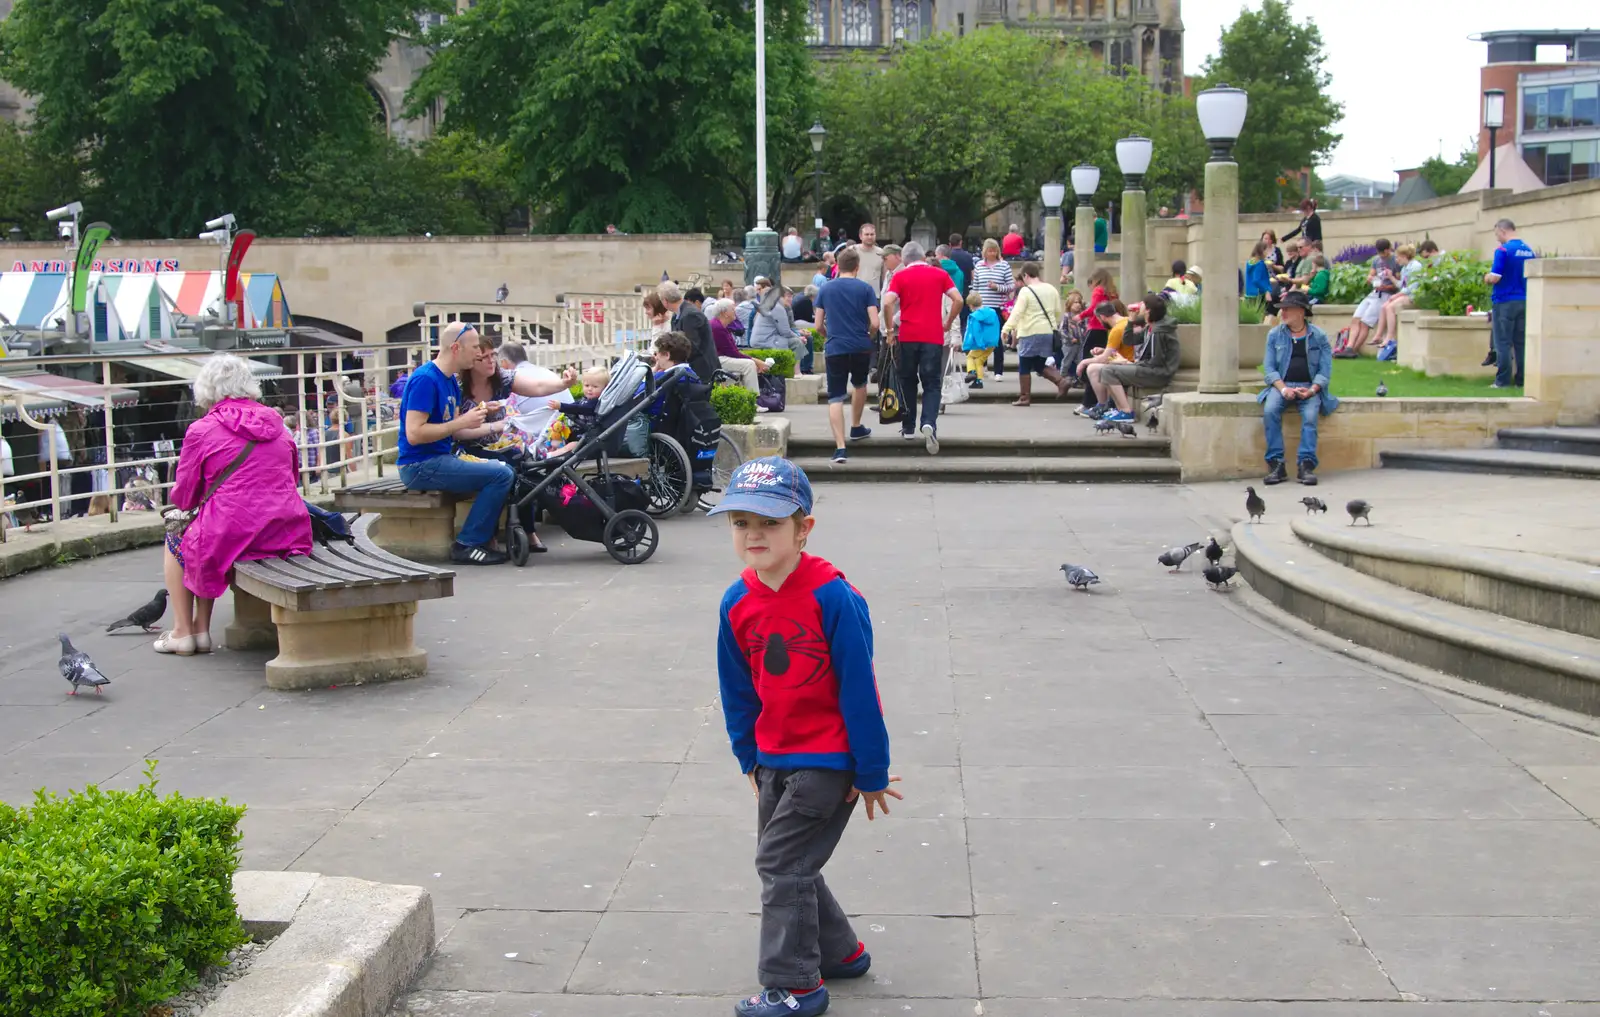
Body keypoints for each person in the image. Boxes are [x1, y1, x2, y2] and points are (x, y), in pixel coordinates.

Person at [709, 456, 899, 1017]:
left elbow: (860, 689)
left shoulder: (833, 597)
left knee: (780, 864)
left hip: (828, 759)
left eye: (769, 522)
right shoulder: (736, 600)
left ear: (804, 528)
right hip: (773, 757)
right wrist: (748, 755)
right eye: (741, 522)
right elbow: (737, 686)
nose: (753, 534)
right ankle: (840, 954)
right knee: (789, 861)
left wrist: (870, 771)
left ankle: (796, 984)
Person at [155, 354, 311, 655]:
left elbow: (184, 498)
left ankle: (184, 631)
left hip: (231, 533)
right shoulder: (278, 424)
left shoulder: (201, 430)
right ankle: (199, 627)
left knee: (179, 531)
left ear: (206, 389)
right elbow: (292, 477)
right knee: (209, 531)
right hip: (287, 531)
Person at [399, 321, 574, 566]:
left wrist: (478, 413)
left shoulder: (447, 380)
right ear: (456, 348)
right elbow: (414, 434)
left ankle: (493, 536)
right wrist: (464, 422)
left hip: (442, 458)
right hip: (420, 464)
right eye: (474, 348)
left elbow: (453, 424)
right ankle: (468, 543)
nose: (479, 353)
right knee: (500, 474)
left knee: (509, 466)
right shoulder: (426, 380)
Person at [883, 241, 959, 454]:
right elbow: (958, 299)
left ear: (904, 259)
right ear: (923, 258)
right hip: (933, 336)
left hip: (908, 335)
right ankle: (929, 423)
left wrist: (890, 330)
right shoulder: (939, 275)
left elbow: (888, 302)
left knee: (907, 380)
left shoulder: (900, 277)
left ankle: (908, 426)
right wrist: (948, 321)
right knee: (932, 383)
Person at [1260, 290, 1338, 487]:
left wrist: (1312, 390)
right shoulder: (1274, 335)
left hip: (1308, 387)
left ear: (1301, 312)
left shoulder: (1319, 336)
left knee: (1311, 416)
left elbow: (1325, 370)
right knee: (1270, 411)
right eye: (1282, 309)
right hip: (1281, 386)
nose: (1283, 313)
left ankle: (1306, 465)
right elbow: (1269, 369)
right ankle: (1277, 464)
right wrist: (1283, 388)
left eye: (1288, 309)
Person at [813, 247, 880, 463]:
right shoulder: (865, 288)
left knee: (835, 396)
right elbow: (876, 323)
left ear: (837, 267)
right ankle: (856, 426)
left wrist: (827, 335)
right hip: (860, 345)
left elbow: (817, 325)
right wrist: (868, 335)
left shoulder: (826, 288)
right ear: (857, 267)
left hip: (835, 346)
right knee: (859, 385)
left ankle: (840, 448)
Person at [1090, 292, 1181, 419]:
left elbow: (1157, 360)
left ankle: (1126, 412)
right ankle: (1120, 409)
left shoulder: (1158, 332)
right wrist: (1131, 321)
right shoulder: (1151, 327)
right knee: (1106, 370)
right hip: (1151, 369)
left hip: (1158, 373)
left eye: (1143, 305)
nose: (1140, 306)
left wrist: (1130, 364)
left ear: (1148, 310)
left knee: (1108, 371)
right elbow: (1128, 340)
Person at [1001, 262, 1068, 406]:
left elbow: (1017, 312)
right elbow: (1057, 311)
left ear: (1025, 275)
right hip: (1047, 332)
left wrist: (1006, 328)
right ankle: (1061, 382)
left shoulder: (1026, 291)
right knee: (1039, 364)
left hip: (1030, 331)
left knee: (1024, 365)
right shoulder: (1051, 289)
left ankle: (1025, 397)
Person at [1485, 218, 1535, 389]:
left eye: (1497, 234)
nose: (1497, 238)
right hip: (1525, 300)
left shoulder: (1503, 250)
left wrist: (1487, 277)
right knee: (1521, 342)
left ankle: (1502, 381)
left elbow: (1496, 276)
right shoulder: (1529, 251)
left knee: (1503, 342)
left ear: (1502, 230)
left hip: (1505, 301)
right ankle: (1521, 380)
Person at [1337, 239, 1400, 358]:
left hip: (1385, 294)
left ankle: (1354, 351)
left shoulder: (1395, 261)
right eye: (1379, 253)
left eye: (1383, 253)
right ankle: (1349, 348)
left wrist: (1386, 286)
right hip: (1374, 293)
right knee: (1356, 319)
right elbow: (1371, 273)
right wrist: (1370, 278)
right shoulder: (1376, 260)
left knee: (1365, 323)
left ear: (1388, 249)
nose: (1381, 255)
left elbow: (1399, 283)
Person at [971, 239, 1015, 378]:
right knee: (981, 339)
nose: (992, 253)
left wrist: (997, 287)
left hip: (997, 307)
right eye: (989, 250)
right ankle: (982, 368)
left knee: (996, 340)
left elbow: (1011, 286)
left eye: (994, 250)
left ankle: (998, 371)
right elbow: (975, 287)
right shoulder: (979, 265)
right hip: (982, 307)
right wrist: (974, 304)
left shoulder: (1004, 266)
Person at [662, 280, 721, 384]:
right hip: (693, 371)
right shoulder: (678, 314)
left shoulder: (690, 314)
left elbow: (691, 347)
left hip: (702, 373)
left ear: (665, 301)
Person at [711, 298, 769, 395]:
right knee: (749, 365)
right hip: (716, 360)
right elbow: (733, 353)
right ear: (725, 313)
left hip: (719, 358)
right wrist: (756, 361)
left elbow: (733, 352)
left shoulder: (721, 325)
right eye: (733, 309)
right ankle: (753, 400)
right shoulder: (717, 327)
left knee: (749, 363)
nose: (735, 311)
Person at [1372, 243, 1424, 350]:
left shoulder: (1415, 266)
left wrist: (1397, 295)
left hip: (1413, 296)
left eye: (1397, 257)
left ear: (1404, 256)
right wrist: (1391, 277)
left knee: (1390, 307)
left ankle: (1390, 337)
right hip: (1406, 294)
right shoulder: (1405, 268)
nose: (1396, 260)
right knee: (1383, 307)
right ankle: (1378, 335)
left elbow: (1412, 287)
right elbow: (1402, 285)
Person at [961, 290, 1000, 388]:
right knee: (979, 361)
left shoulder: (975, 317)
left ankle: (971, 372)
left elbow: (976, 331)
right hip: (992, 343)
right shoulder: (992, 312)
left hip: (981, 343)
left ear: (971, 305)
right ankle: (978, 381)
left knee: (970, 356)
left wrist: (979, 344)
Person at [947, 233, 977, 318]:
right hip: (964, 290)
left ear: (950, 244)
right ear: (961, 242)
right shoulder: (968, 256)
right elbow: (973, 275)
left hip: (950, 290)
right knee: (964, 318)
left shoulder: (948, 256)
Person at [854, 224, 886, 295]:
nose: (869, 237)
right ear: (860, 236)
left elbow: (884, 277)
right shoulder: (853, 251)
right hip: (855, 294)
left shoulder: (881, 253)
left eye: (872, 234)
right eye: (867, 234)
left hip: (874, 295)